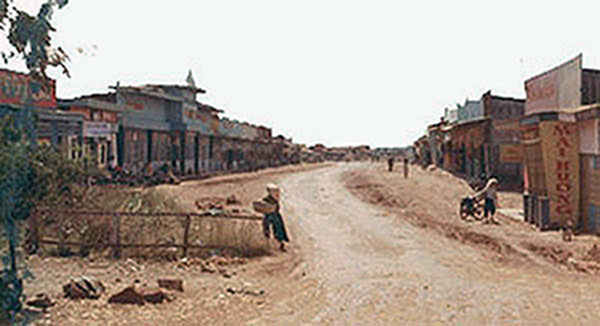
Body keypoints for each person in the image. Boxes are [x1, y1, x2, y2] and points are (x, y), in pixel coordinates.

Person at [261, 184, 290, 251]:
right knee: (278, 229)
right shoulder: (275, 199)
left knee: (268, 229)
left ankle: (270, 243)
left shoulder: (267, 199)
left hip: (269, 216)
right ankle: (280, 243)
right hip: (275, 216)